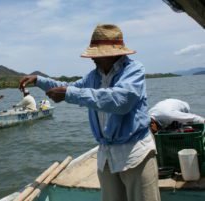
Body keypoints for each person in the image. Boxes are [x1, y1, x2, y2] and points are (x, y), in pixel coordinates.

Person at [19, 24, 160, 201]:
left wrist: (69, 94)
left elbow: (121, 100)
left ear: (113, 53)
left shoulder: (134, 70)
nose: (93, 59)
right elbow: (69, 88)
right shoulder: (94, 76)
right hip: (107, 156)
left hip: (135, 154)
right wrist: (39, 80)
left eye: (97, 55)